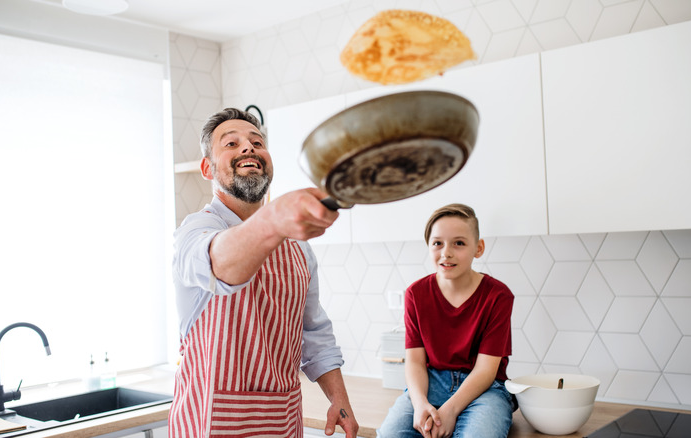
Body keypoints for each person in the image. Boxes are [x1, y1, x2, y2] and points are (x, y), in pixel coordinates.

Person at [169, 108, 359, 438]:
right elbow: (221, 265)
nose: (249, 148)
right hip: (209, 424)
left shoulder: (299, 247)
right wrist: (274, 219)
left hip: (281, 421)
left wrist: (339, 400)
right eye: (231, 143)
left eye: (257, 142)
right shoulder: (196, 230)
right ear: (207, 168)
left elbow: (314, 333)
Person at [377, 204, 515, 438]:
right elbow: (415, 363)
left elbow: (485, 370)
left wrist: (450, 410)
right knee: (390, 434)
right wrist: (420, 404)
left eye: (459, 243)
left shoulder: (498, 296)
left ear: (478, 248)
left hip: (485, 390)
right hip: (430, 385)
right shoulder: (415, 294)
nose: (446, 252)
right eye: (437, 243)